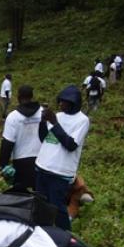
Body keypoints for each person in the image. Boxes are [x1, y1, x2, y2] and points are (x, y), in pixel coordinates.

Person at [35, 86, 90, 230]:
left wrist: (54, 123)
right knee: (41, 205)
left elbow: (71, 145)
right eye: (60, 101)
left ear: (73, 104)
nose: (60, 105)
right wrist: (42, 121)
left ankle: (65, 236)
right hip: (42, 166)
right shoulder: (58, 116)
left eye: (64, 102)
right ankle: (43, 233)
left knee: (58, 207)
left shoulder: (82, 120)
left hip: (60, 172)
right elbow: (43, 138)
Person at [0, 85, 42, 191]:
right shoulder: (43, 112)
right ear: (32, 96)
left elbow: (7, 142)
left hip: (21, 160)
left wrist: (3, 164)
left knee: (21, 195)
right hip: (42, 160)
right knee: (40, 193)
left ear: (18, 97)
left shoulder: (13, 116)